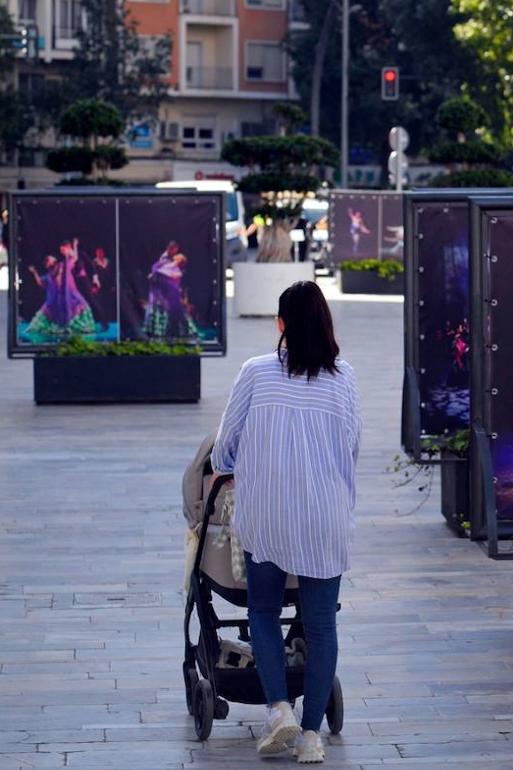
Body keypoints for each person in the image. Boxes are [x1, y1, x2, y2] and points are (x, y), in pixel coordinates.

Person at [210, 281, 361, 764]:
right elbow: (352, 448)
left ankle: (278, 709)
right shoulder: (344, 379)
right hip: (325, 518)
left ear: (281, 325)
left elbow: (224, 447)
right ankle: (311, 736)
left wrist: (232, 463)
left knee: (262, 611)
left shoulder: (256, 372)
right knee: (321, 627)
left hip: (267, 515)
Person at [25, 240, 96, 340]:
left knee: (80, 306)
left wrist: (74, 246)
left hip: (70, 292)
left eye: (52, 258)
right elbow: (40, 282)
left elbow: (74, 258)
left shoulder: (63, 264)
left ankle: (78, 327)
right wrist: (34, 272)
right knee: (57, 313)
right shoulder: (49, 275)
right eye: (50, 259)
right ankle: (62, 327)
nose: (53, 258)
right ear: (48, 264)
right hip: (59, 297)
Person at [143, 242, 198, 339]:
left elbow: (172, 275)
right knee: (164, 311)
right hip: (162, 291)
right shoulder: (164, 261)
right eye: (174, 250)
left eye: (176, 252)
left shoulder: (174, 267)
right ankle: (163, 332)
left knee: (175, 313)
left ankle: (179, 332)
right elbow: (158, 272)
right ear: (170, 248)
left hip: (170, 292)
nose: (175, 253)